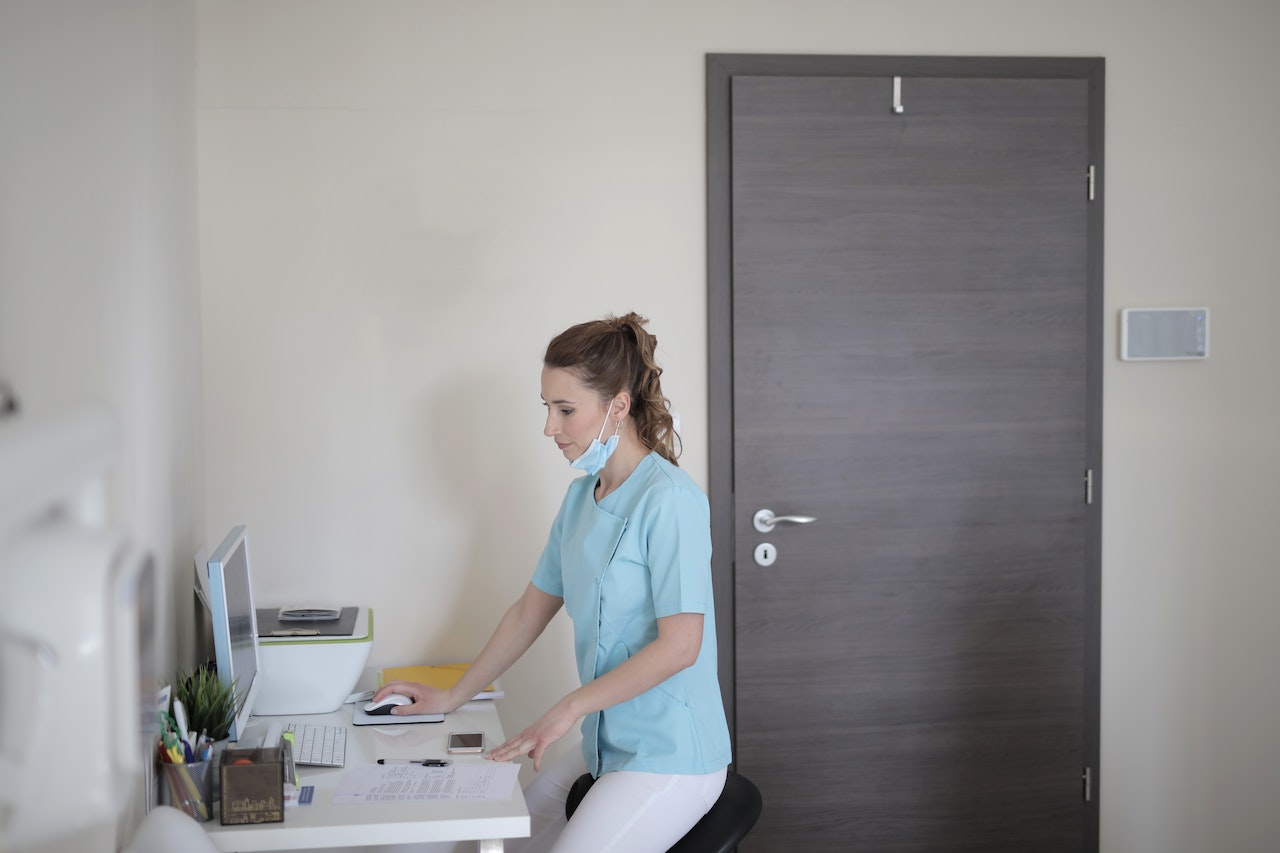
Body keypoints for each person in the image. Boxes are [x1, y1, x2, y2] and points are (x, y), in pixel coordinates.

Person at [373, 312, 732, 853]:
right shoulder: (579, 500)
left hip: (672, 757)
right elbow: (529, 611)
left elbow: (682, 647)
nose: (550, 427)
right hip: (604, 744)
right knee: (499, 840)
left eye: (566, 410)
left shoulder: (670, 500)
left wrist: (568, 708)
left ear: (617, 405)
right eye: (547, 407)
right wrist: (450, 696)